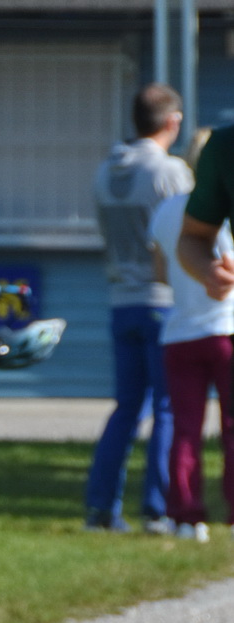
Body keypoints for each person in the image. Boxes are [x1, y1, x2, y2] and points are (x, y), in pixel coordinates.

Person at [84, 83, 192, 533]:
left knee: (126, 406)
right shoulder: (171, 172)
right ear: (173, 121)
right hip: (163, 302)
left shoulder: (105, 171)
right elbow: (186, 237)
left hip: (120, 300)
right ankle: (157, 509)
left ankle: (101, 510)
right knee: (167, 407)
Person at [149, 177, 234, 539]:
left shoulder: (167, 209)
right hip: (226, 326)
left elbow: (160, 273)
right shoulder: (226, 210)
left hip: (181, 331)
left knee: (185, 428)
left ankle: (186, 516)